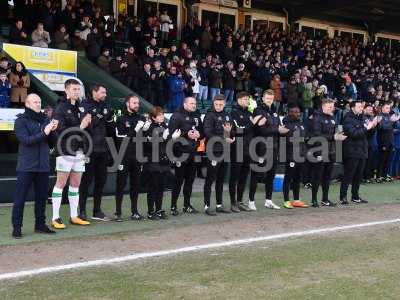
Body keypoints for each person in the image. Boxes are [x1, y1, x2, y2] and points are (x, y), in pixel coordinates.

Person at [12, 94, 58, 238]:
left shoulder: (46, 119)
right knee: (20, 198)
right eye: (35, 102)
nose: (38, 104)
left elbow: (51, 142)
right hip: (26, 166)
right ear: (27, 104)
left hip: (43, 166)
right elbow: (26, 141)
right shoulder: (20, 121)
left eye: (39, 102)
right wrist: (44, 132)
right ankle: (17, 227)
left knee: (41, 198)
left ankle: (40, 225)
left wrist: (53, 131)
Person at [51, 79, 91, 229]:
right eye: (74, 89)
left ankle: (74, 216)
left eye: (78, 89)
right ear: (66, 90)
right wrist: (81, 125)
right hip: (65, 150)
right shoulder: (60, 108)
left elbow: (84, 130)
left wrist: (87, 123)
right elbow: (60, 132)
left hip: (80, 151)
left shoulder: (81, 107)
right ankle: (55, 217)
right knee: (60, 184)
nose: (77, 92)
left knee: (76, 184)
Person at [79, 83, 114, 221]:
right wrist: (100, 116)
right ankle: (81, 211)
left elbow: (111, 129)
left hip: (103, 149)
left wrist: (110, 119)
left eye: (105, 93)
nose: (105, 95)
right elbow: (88, 126)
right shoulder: (85, 105)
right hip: (89, 149)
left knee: (101, 181)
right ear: (94, 92)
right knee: (86, 182)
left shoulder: (106, 105)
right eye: (102, 92)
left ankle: (97, 210)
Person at [249, 89, 289, 211]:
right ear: (263, 98)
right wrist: (277, 129)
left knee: (271, 175)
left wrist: (280, 131)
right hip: (261, 147)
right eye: (267, 98)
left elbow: (274, 128)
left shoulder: (275, 112)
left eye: (271, 99)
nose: (269, 100)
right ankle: (251, 201)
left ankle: (268, 200)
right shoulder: (258, 110)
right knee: (255, 175)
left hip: (274, 148)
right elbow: (261, 130)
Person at [114, 94, 147, 221]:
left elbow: (145, 138)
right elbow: (122, 138)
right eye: (134, 103)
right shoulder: (121, 119)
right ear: (127, 103)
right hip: (123, 155)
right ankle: (118, 212)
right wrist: (135, 129)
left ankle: (134, 211)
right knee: (121, 184)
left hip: (138, 156)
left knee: (136, 184)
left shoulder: (141, 118)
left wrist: (146, 130)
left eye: (138, 103)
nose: (137, 105)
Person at [308, 98, 347, 208]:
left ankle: (325, 199)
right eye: (330, 107)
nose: (332, 109)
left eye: (332, 107)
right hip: (319, 150)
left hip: (331, 151)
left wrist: (338, 136)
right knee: (317, 176)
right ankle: (314, 199)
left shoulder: (332, 118)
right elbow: (316, 135)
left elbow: (333, 134)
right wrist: (333, 137)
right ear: (323, 106)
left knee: (327, 177)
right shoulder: (316, 118)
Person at [168, 96, 203, 215]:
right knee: (178, 181)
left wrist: (199, 134)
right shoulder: (176, 116)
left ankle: (187, 205)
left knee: (190, 181)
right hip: (180, 154)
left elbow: (202, 133)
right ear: (185, 104)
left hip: (193, 153)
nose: (194, 105)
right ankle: (173, 206)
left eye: (195, 103)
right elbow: (171, 136)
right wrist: (186, 134)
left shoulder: (197, 116)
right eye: (191, 103)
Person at [339, 101, 377, 205]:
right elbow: (354, 134)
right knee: (348, 175)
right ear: (352, 108)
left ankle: (355, 196)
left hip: (362, 150)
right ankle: (343, 197)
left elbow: (367, 134)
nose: (361, 108)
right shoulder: (348, 119)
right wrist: (366, 128)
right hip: (351, 151)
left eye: (362, 106)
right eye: (359, 106)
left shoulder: (363, 117)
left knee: (358, 175)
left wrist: (373, 127)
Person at [203, 94, 234, 216]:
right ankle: (207, 206)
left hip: (225, 151)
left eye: (221, 104)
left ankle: (219, 205)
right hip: (213, 151)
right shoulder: (209, 115)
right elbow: (207, 133)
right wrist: (223, 138)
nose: (218, 106)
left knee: (221, 179)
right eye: (216, 104)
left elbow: (231, 131)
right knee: (210, 179)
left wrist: (230, 135)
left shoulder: (227, 115)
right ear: (213, 103)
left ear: (225, 104)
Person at [228, 91, 253, 212]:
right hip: (237, 149)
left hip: (248, 149)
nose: (246, 101)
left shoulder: (249, 113)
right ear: (238, 100)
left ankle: (240, 201)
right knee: (234, 177)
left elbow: (252, 132)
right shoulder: (233, 113)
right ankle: (233, 203)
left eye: (247, 99)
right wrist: (251, 125)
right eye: (244, 99)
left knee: (244, 176)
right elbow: (237, 130)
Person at [144, 106, 170, 220]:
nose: (162, 116)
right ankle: (150, 211)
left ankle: (159, 209)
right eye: (159, 115)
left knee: (161, 187)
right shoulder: (150, 128)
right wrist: (162, 138)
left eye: (162, 114)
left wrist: (171, 138)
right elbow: (149, 145)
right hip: (153, 161)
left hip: (163, 160)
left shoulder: (165, 126)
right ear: (154, 118)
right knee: (152, 188)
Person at [282, 105, 309, 208]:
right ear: (290, 112)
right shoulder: (286, 123)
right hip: (291, 155)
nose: (298, 114)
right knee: (288, 178)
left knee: (298, 178)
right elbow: (287, 140)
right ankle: (286, 200)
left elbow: (304, 137)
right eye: (295, 112)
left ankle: (296, 200)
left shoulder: (301, 123)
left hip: (301, 155)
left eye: (299, 112)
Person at [376, 102, 400, 182]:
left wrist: (393, 121)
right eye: (386, 108)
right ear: (382, 108)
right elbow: (383, 127)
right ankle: (378, 176)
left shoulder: (389, 116)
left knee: (388, 159)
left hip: (390, 141)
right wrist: (391, 121)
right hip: (383, 141)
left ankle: (384, 175)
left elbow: (390, 129)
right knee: (382, 159)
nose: (388, 109)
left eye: (389, 108)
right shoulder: (380, 116)